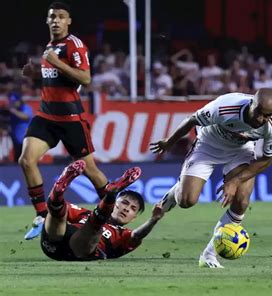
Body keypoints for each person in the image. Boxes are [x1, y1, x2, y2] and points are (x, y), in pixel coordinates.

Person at [150, 88, 272, 268]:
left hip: (240, 152)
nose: (261, 119)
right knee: (186, 201)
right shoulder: (225, 107)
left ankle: (210, 254)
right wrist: (169, 142)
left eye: (266, 115)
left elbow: (267, 159)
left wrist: (234, 182)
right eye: (258, 112)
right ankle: (175, 192)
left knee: (242, 200)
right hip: (208, 145)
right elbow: (191, 120)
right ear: (252, 103)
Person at [20, 2, 110, 240]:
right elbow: (54, 77)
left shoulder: (74, 45)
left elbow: (85, 78)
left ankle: (111, 213)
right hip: (46, 116)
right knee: (26, 160)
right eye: (52, 17)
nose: (56, 20)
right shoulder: (50, 47)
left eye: (61, 16)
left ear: (69, 21)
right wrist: (35, 71)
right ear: (47, 20)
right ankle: (42, 216)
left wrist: (56, 62)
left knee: (91, 171)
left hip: (70, 119)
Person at [41, 160, 164, 261]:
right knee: (57, 212)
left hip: (79, 249)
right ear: (115, 205)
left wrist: (153, 220)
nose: (126, 209)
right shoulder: (85, 213)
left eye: (133, 209)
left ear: (134, 218)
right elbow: (63, 209)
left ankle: (111, 194)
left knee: (96, 227)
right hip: (53, 243)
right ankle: (58, 192)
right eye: (124, 203)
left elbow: (137, 235)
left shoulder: (124, 234)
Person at [7, 92, 33, 161]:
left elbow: (26, 117)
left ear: (19, 101)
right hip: (16, 140)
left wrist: (14, 111)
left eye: (14, 101)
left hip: (26, 140)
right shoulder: (11, 111)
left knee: (26, 162)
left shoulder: (25, 108)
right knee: (17, 161)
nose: (12, 103)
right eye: (11, 101)